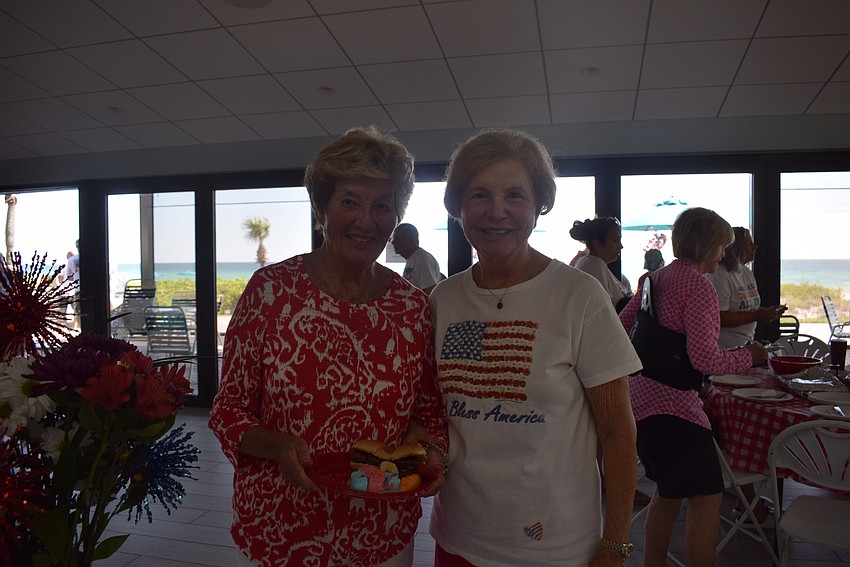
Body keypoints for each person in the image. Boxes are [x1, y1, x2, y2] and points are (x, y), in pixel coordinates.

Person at [208, 126, 448, 567]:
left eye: (382, 205)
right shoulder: (271, 292)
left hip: (381, 527)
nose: (366, 219)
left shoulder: (412, 307)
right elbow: (228, 411)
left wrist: (428, 451)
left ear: (396, 216)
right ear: (321, 208)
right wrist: (278, 444)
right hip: (282, 525)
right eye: (350, 201)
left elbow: (428, 413)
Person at [429, 128, 643, 566]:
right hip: (458, 537)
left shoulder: (579, 296)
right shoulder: (442, 299)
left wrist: (615, 543)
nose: (496, 211)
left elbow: (617, 433)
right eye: (479, 195)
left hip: (554, 544)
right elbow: (439, 414)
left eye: (514, 195)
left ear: (539, 204)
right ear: (457, 207)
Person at [619, 208, 768, 567]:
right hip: (673, 408)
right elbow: (705, 360)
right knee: (706, 497)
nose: (722, 255)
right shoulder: (699, 287)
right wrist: (750, 356)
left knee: (668, 493)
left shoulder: (655, 278)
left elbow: (621, 329)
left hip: (641, 402)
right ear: (710, 245)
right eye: (721, 247)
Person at [706, 227, 786, 350]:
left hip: (744, 346)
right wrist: (757, 315)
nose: (755, 247)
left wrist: (767, 313)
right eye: (749, 243)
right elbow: (719, 317)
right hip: (724, 350)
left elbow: (744, 307)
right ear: (735, 247)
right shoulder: (719, 274)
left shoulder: (746, 272)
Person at [569, 217, 632, 312]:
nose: (620, 246)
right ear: (597, 244)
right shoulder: (594, 265)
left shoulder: (592, 263)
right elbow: (605, 309)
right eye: (615, 241)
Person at [391, 222, 442, 293]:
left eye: (397, 239)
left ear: (410, 240)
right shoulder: (413, 259)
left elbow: (429, 291)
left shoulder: (422, 259)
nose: (392, 242)